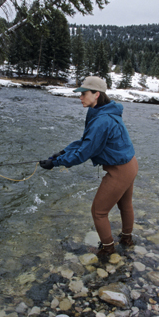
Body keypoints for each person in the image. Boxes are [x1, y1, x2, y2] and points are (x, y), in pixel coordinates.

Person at [39, 76, 138, 258]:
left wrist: (55, 163)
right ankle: (127, 240)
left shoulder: (102, 120)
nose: (80, 97)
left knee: (98, 212)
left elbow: (84, 153)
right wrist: (62, 152)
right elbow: (86, 141)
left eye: (84, 93)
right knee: (125, 205)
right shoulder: (100, 111)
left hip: (120, 170)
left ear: (96, 94)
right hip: (130, 164)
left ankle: (108, 250)